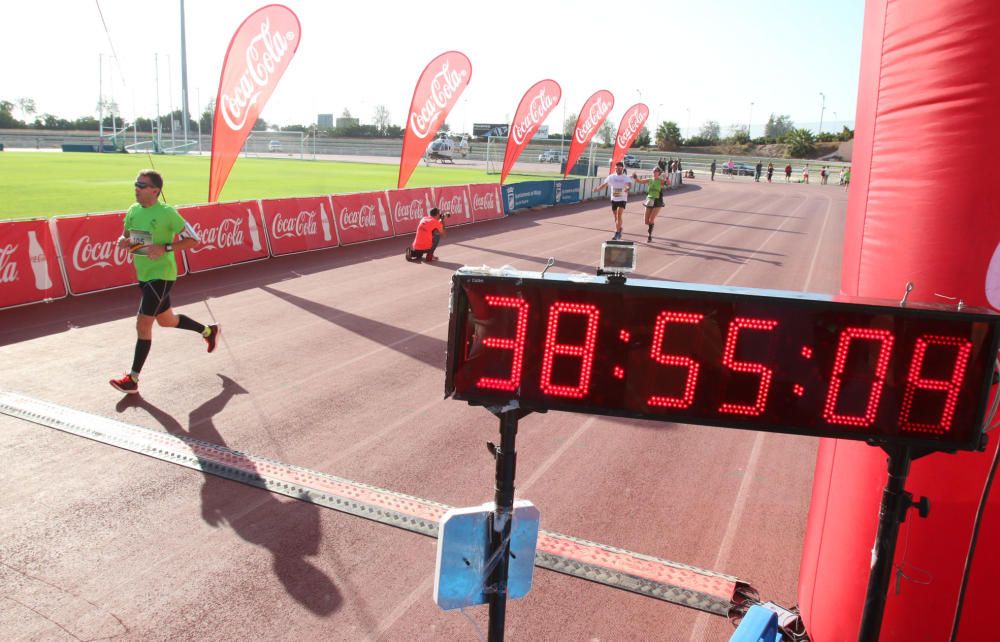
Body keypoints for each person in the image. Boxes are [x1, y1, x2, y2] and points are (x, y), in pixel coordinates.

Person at [110, 170, 219, 394]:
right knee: (167, 320)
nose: (136, 188)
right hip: (144, 275)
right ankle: (208, 331)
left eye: (141, 185)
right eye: (136, 184)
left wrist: (166, 247)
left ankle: (132, 379)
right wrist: (124, 242)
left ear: (155, 191)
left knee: (143, 324)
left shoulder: (168, 213)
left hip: (162, 276)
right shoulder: (132, 211)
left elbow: (194, 239)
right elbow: (130, 239)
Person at [595, 161, 633, 240]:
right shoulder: (611, 177)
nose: (617, 169)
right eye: (616, 168)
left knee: (619, 215)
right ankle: (620, 228)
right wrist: (598, 189)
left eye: (619, 168)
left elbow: (629, 185)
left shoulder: (626, 177)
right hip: (614, 199)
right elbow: (604, 185)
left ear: (622, 168)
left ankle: (617, 233)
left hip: (622, 199)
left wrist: (628, 188)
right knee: (616, 217)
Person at [632, 166, 668, 242]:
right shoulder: (650, 180)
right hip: (649, 200)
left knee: (651, 219)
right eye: (653, 171)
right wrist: (635, 177)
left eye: (656, 171)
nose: (654, 173)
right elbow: (640, 181)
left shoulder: (661, 181)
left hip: (657, 200)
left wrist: (666, 177)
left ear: (659, 173)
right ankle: (651, 228)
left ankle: (649, 235)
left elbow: (668, 183)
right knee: (646, 221)